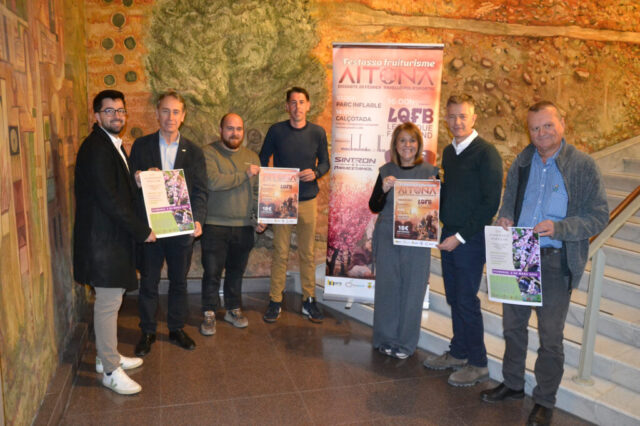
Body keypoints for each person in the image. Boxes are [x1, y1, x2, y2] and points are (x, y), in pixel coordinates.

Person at [481, 101, 608, 426]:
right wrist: (504, 218)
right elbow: (509, 202)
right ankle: (512, 385)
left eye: (547, 125)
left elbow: (599, 216)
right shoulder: (522, 162)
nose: (541, 133)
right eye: (535, 128)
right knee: (513, 327)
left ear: (562, 123)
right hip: (520, 253)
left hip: (555, 260)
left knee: (551, 337)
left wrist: (560, 228)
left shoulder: (583, 165)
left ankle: (544, 400)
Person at [73, 90, 156, 395]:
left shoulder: (108, 144)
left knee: (113, 301)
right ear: (97, 115)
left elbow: (112, 186)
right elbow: (109, 199)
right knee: (108, 304)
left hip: (109, 240)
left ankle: (105, 356)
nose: (116, 116)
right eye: (109, 111)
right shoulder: (96, 147)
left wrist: (137, 180)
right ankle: (110, 370)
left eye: (120, 111)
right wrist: (141, 230)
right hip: (103, 243)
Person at [423, 94, 503, 386]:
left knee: (467, 300)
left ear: (474, 118)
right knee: (454, 297)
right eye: (452, 116)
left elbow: (489, 203)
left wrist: (459, 237)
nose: (457, 122)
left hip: (471, 237)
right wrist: (434, 188)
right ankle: (458, 352)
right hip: (450, 232)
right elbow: (453, 193)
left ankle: (478, 363)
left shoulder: (487, 153)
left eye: (463, 116)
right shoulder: (448, 152)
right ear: (446, 119)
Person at [130, 90, 207, 355]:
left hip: (180, 226)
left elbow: (200, 191)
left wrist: (198, 220)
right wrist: (138, 178)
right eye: (165, 111)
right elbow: (128, 183)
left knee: (179, 281)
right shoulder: (141, 146)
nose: (170, 117)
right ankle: (148, 331)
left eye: (175, 112)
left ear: (183, 116)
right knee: (149, 281)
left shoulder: (194, 151)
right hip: (151, 228)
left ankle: (176, 328)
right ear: (157, 113)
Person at [259, 87, 330, 323]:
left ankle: (309, 300)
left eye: (301, 102)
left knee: (307, 253)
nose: (297, 106)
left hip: (308, 199)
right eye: (293, 102)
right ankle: (275, 300)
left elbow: (326, 163)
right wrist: (271, 184)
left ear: (308, 105)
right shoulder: (276, 131)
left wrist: (316, 172)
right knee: (280, 251)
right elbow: (262, 159)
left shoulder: (317, 132)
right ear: (287, 106)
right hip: (282, 200)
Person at [368, 122, 438, 359]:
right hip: (388, 236)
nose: (407, 145)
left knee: (413, 290)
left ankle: (406, 344)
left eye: (412, 140)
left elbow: (442, 207)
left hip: (417, 239)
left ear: (418, 144)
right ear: (395, 145)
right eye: (402, 140)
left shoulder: (431, 172)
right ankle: (385, 338)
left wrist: (437, 189)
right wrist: (384, 189)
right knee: (387, 288)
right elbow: (374, 206)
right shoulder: (386, 171)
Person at [199, 113, 263, 335]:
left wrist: (258, 218)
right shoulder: (208, 152)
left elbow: (257, 191)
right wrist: (244, 174)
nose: (234, 133)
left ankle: (232, 309)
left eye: (238, 129)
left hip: (243, 226)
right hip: (215, 224)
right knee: (212, 272)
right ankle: (209, 312)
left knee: (236, 272)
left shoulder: (252, 156)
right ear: (221, 130)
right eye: (230, 128)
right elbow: (213, 181)